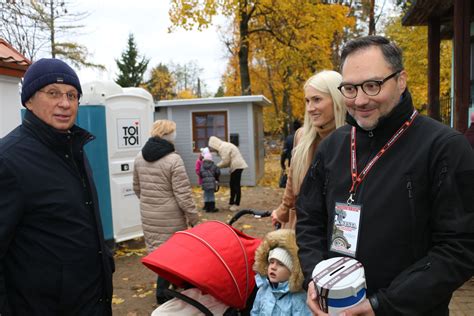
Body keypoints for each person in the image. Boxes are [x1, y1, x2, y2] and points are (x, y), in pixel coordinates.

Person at [296, 35, 474, 315]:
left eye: (372, 85)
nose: (360, 100)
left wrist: (382, 305)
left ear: (400, 80)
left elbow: (460, 248)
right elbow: (309, 219)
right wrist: (314, 277)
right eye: (350, 89)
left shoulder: (444, 148)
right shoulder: (333, 146)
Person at [0, 58, 114, 315]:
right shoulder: (8, 160)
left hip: (92, 302)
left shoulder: (74, 150)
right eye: (53, 93)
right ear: (29, 100)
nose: (65, 103)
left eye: (72, 95)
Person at [133, 119, 199, 305]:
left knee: (160, 253)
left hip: (148, 214)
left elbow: (137, 188)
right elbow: (183, 194)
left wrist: (151, 204)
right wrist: (194, 218)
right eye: (174, 132)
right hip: (171, 216)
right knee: (174, 254)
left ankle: (170, 291)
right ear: (167, 135)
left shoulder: (139, 157)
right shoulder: (173, 159)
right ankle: (164, 294)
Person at [271, 70, 346, 229]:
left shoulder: (354, 139)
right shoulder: (302, 137)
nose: (310, 108)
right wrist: (281, 213)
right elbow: (292, 183)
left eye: (317, 100)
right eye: (307, 101)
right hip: (300, 230)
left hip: (338, 229)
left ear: (337, 100)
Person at [251, 229, 311, 315]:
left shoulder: (297, 299)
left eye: (281, 264)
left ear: (293, 272)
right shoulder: (263, 290)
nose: (273, 267)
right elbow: (255, 312)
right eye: (271, 262)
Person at [208, 135, 248, 212]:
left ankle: (236, 204)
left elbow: (226, 161)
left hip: (237, 166)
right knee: (232, 184)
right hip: (236, 167)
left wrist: (216, 166)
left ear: (214, 144)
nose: (213, 149)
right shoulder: (223, 146)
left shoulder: (223, 147)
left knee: (236, 185)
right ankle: (231, 202)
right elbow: (227, 161)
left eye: (212, 147)